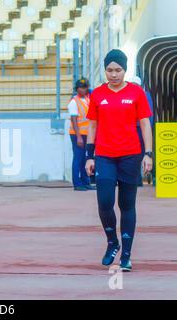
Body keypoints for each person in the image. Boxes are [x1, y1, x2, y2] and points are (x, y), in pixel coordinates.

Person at [85, 49, 153, 272]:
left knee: (126, 205)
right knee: (104, 203)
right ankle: (112, 242)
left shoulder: (136, 93)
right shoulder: (97, 94)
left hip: (130, 155)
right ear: (105, 70)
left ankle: (126, 254)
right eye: (109, 70)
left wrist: (148, 153)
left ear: (125, 70)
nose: (113, 74)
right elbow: (92, 125)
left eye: (118, 70)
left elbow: (145, 124)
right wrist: (89, 156)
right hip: (104, 155)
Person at [68, 78, 96, 191]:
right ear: (77, 89)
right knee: (78, 158)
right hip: (77, 134)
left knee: (86, 158)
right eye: (80, 87)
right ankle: (77, 183)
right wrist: (78, 137)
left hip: (87, 134)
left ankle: (86, 181)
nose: (82, 89)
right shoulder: (74, 101)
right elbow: (74, 120)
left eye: (84, 87)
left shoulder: (88, 100)